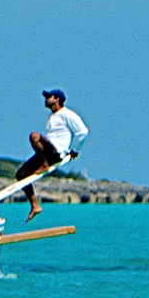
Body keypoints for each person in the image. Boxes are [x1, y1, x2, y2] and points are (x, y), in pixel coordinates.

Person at [12, 88, 89, 222]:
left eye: (49, 97)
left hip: (56, 152)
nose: (46, 99)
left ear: (57, 99)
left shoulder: (66, 114)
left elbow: (83, 131)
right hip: (47, 153)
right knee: (21, 174)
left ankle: (44, 164)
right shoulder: (51, 117)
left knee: (34, 136)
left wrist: (75, 149)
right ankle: (34, 205)